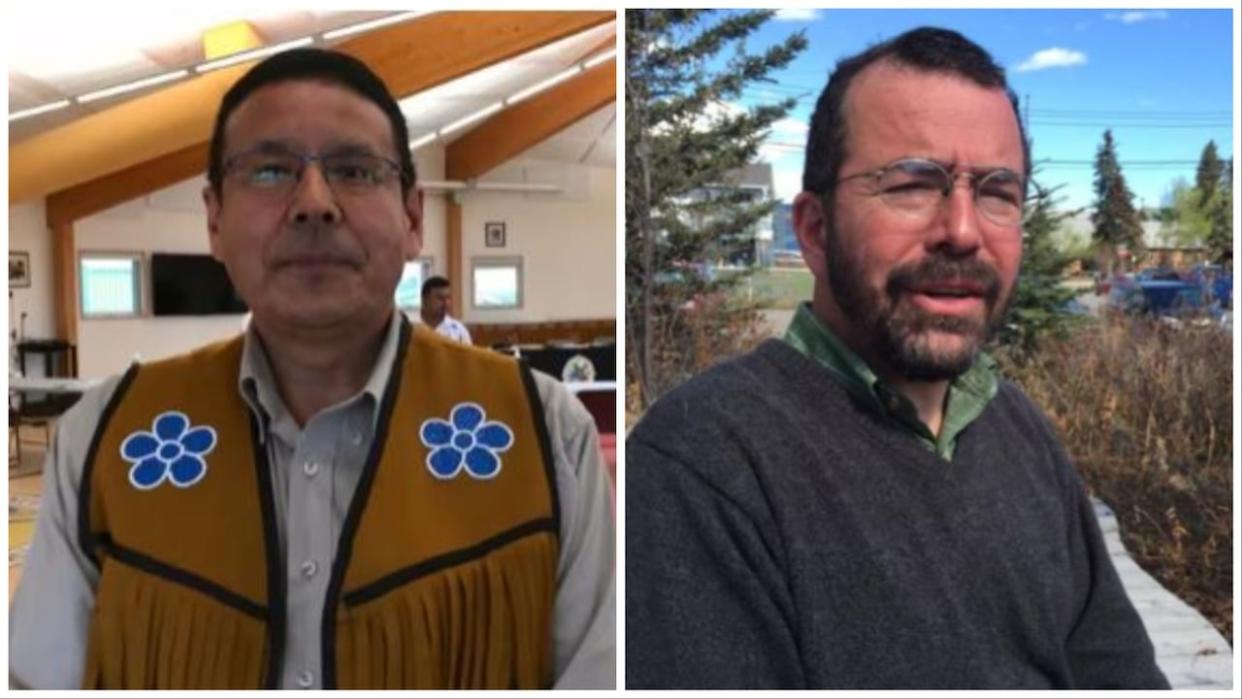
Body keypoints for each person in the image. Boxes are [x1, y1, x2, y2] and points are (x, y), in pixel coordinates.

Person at [9, 48, 615, 690]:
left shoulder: (545, 436)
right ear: (214, 218)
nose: (314, 203)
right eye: (270, 172)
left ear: (412, 217)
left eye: (355, 170)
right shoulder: (104, 441)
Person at [626, 27, 1168, 690]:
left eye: (998, 193)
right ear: (816, 231)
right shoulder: (707, 463)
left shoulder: (1015, 426)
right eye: (913, 183)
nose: (963, 232)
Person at [419, 275, 472, 344]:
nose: (446, 303)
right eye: (440, 298)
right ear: (425, 299)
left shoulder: (459, 330)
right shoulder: (411, 328)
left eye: (448, 297)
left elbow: (467, 354)